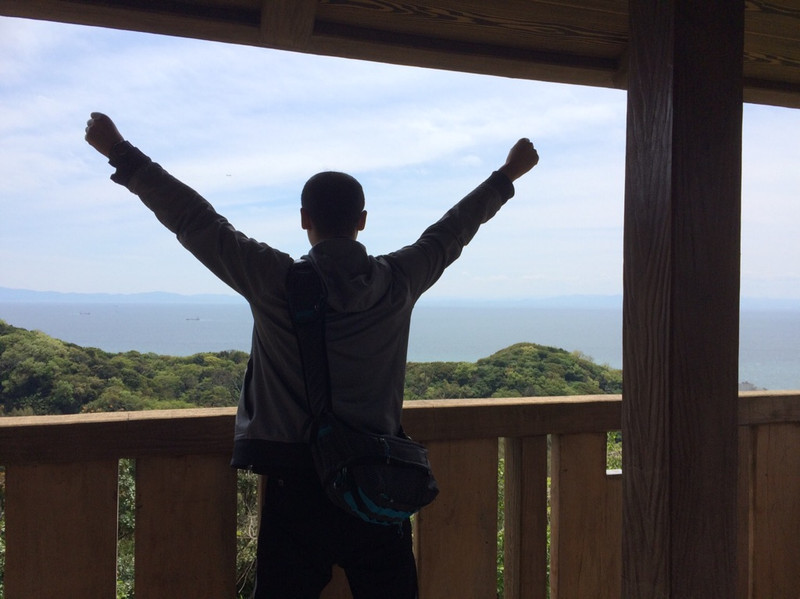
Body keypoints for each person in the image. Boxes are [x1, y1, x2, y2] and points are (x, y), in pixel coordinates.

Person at [85, 112, 539, 598]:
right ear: (362, 221)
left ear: (305, 219)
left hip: (293, 485)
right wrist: (506, 175)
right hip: (377, 481)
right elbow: (452, 230)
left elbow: (196, 220)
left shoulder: (274, 279)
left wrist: (121, 152)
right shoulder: (399, 280)